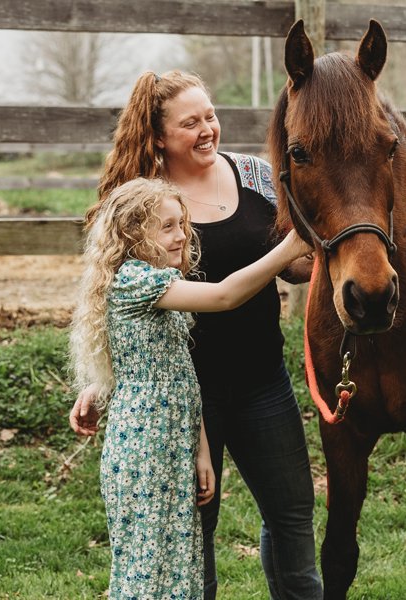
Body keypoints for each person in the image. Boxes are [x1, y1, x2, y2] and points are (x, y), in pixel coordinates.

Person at [71, 71, 323, 599]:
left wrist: (324, 256)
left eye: (210, 115)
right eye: (191, 122)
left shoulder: (254, 174)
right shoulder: (144, 204)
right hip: (186, 397)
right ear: (159, 136)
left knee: (293, 515)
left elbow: (291, 262)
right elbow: (117, 305)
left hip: (262, 382)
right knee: (194, 535)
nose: (208, 129)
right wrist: (100, 382)